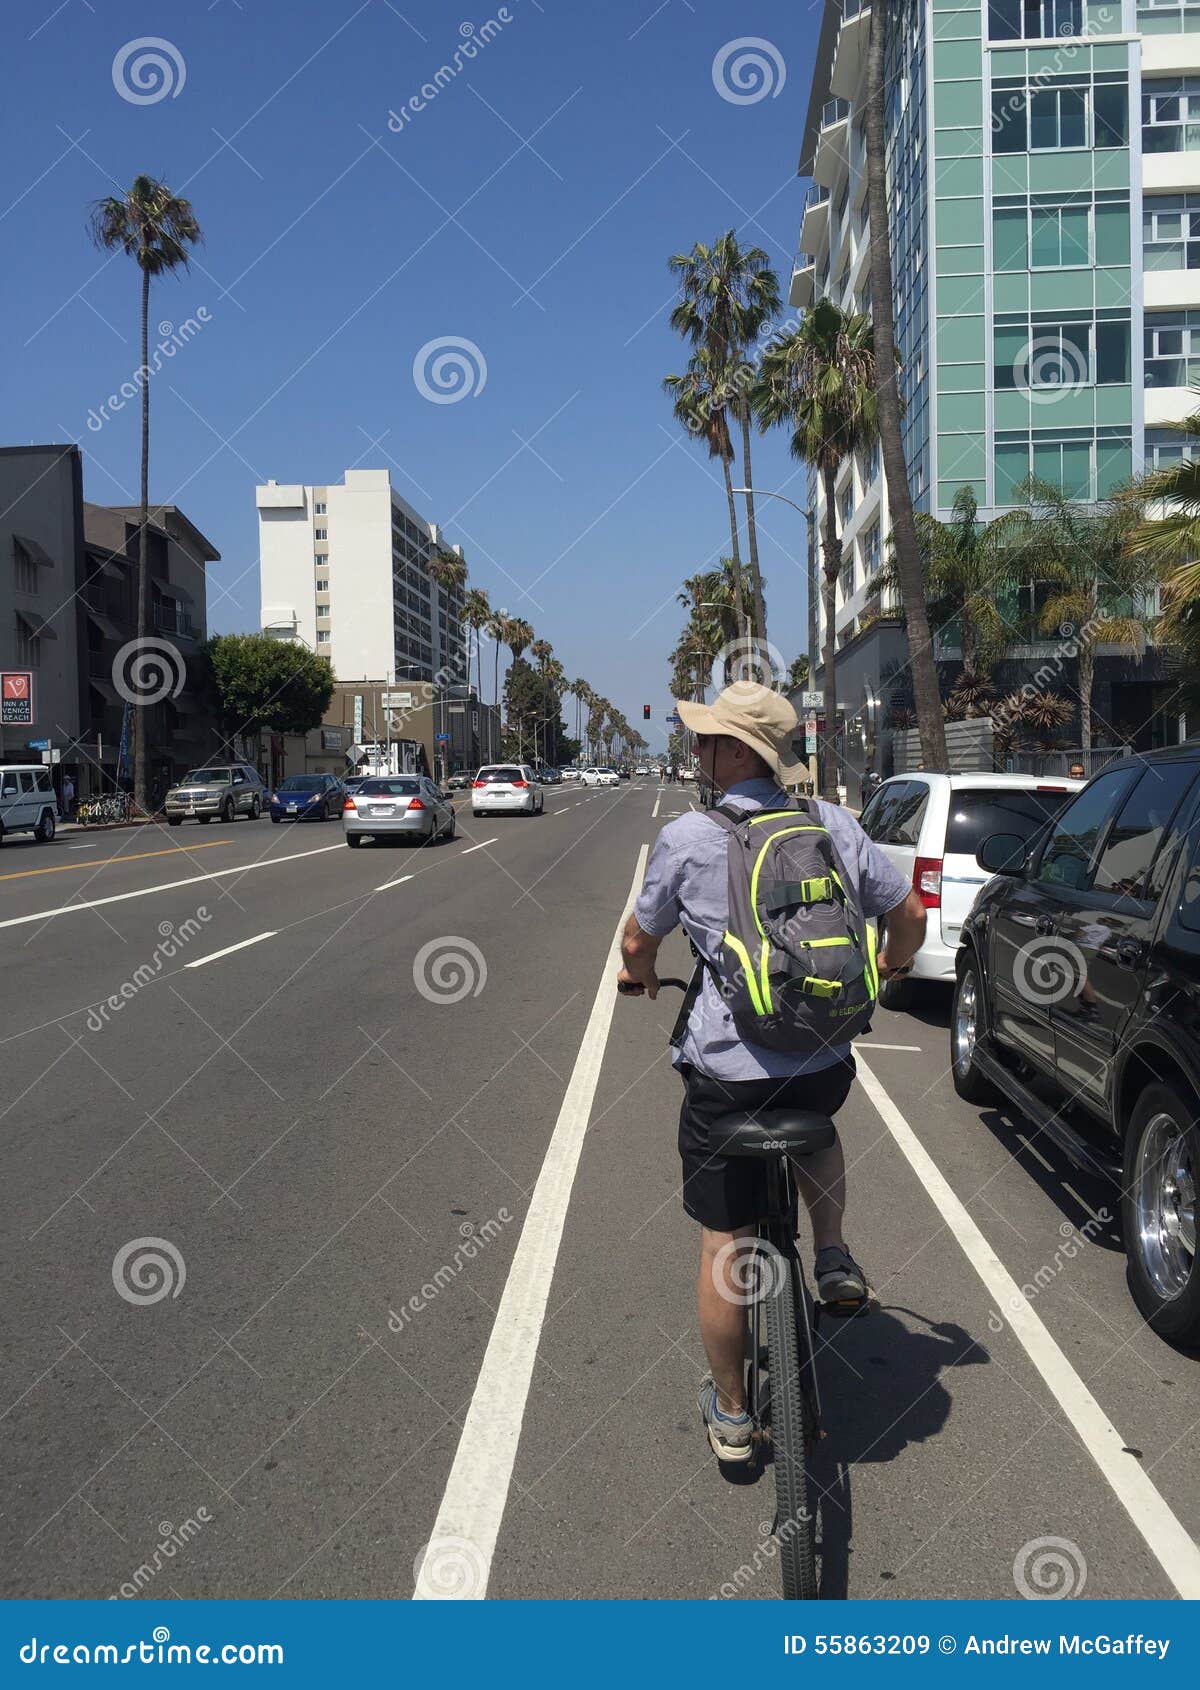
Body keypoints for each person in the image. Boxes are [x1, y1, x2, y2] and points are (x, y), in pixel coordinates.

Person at [617, 684, 927, 1465]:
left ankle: (729, 1414)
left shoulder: (688, 838)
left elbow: (635, 944)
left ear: (734, 753)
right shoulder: (834, 824)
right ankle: (832, 1252)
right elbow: (908, 917)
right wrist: (889, 970)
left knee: (725, 1243)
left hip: (726, 1079)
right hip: (820, 1062)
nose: (695, 752)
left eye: (704, 741)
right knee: (819, 1128)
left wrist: (644, 978)